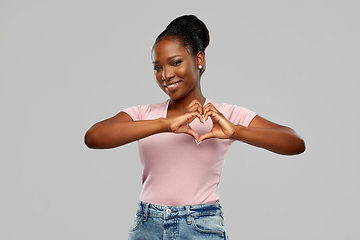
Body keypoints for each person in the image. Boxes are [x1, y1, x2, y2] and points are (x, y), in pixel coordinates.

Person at [84, 15, 305, 240]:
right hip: (146, 226)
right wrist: (164, 125)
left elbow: (294, 142)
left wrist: (236, 131)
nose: (166, 75)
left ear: (199, 60)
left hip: (199, 226)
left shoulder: (224, 115)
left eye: (175, 62)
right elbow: (93, 137)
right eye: (157, 67)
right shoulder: (145, 114)